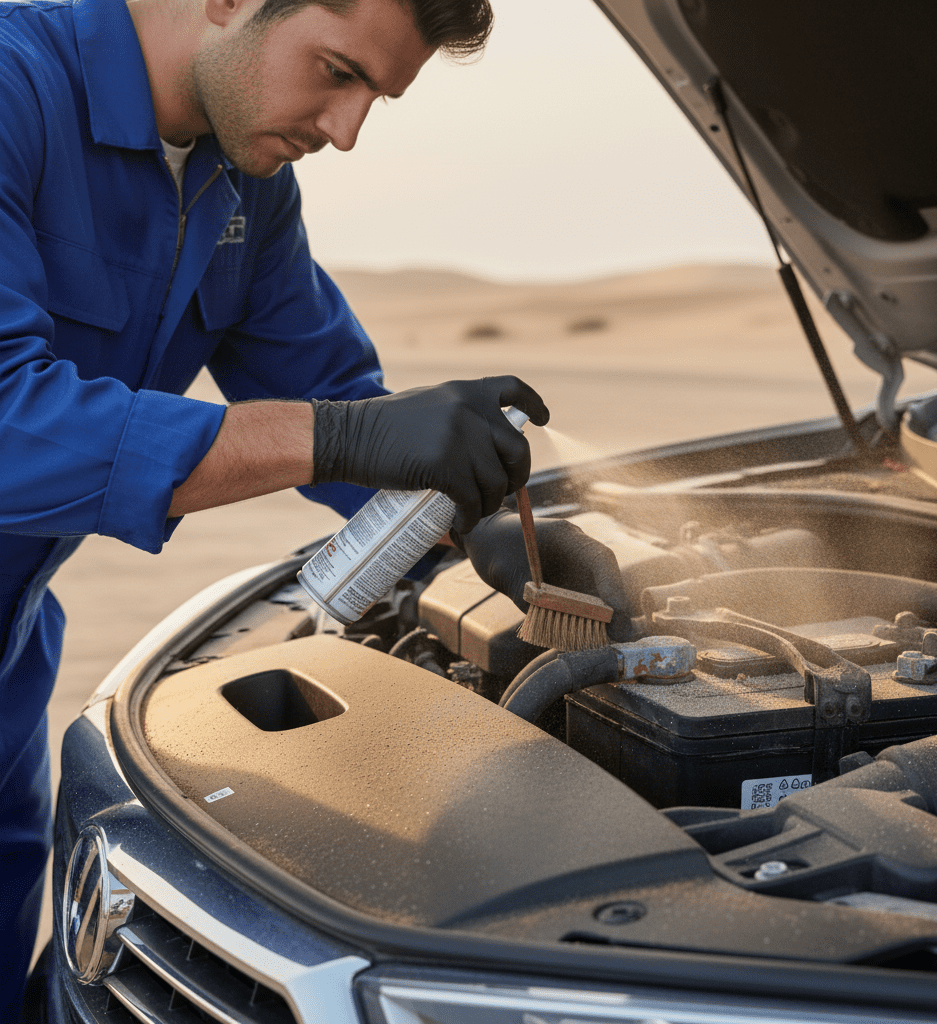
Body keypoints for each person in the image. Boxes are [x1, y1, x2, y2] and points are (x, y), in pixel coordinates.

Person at [0, 0, 630, 1013]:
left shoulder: (244, 185)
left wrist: (491, 527)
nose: (344, 130)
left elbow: (339, 404)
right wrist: (345, 438)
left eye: (373, 98)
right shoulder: (12, 84)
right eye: (335, 71)